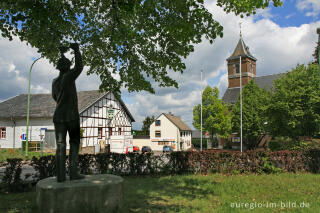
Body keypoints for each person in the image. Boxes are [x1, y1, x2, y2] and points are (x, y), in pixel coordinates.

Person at [52, 43, 84, 182]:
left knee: (60, 145)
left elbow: (55, 97)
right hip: (71, 116)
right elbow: (79, 67)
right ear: (67, 67)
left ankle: (60, 176)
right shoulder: (69, 77)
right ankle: (73, 173)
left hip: (58, 116)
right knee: (75, 142)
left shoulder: (55, 81)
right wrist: (76, 50)